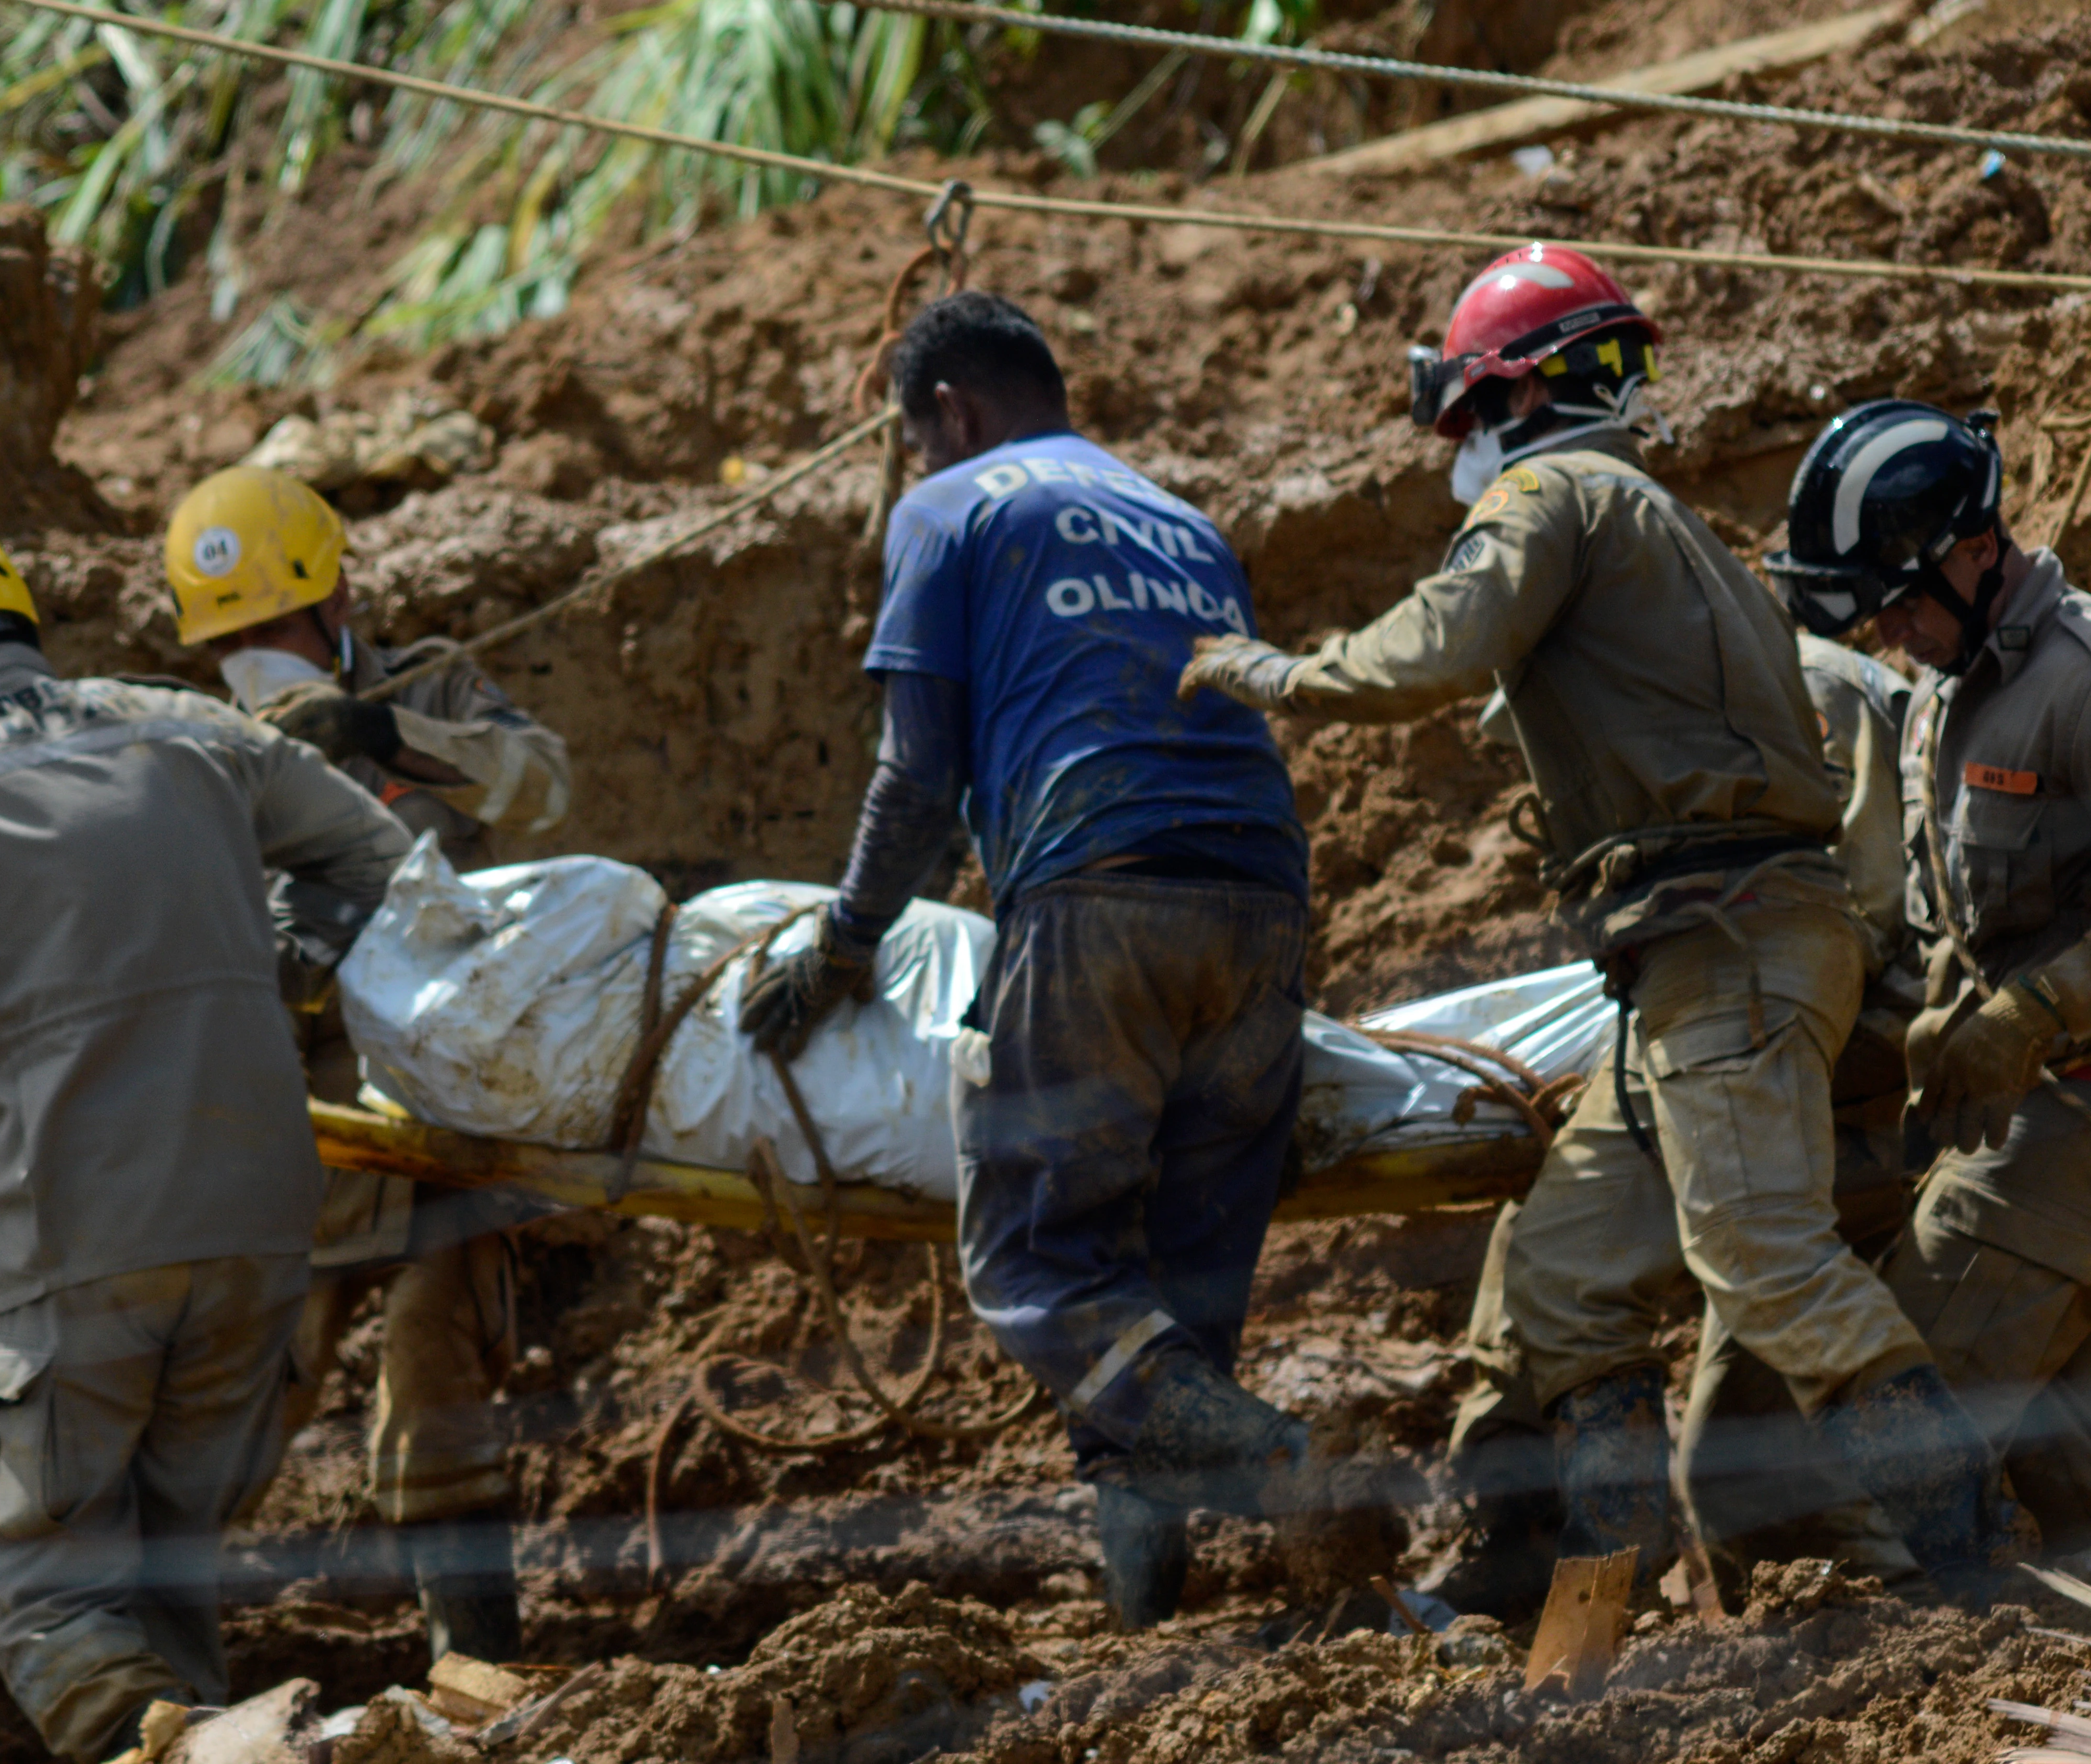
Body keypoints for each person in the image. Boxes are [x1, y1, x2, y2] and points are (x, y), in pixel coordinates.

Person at [1182, 244, 2010, 1600]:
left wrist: (1270, 673)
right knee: (1556, 1281)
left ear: (1509, 396)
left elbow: (1434, 651)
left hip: (1728, 944)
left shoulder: (1552, 493)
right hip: (1705, 958)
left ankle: (1967, 1539)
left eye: (1466, 414)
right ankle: (1544, 1587)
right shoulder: (1665, 526)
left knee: (1764, 1259)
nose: (1461, 446)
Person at [739, 291, 1314, 1628]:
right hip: (1263, 903)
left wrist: (844, 940)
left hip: (1095, 893)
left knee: (1039, 1263)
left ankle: (1267, 1456)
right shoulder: (1186, 521)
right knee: (1177, 1293)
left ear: (952, 410)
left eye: (917, 438)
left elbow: (915, 774)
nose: (918, 464)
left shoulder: (949, 508)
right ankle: (1142, 1625)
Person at [0, 523, 415, 1760]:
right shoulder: (187, 725)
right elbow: (376, 853)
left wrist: (6, 1074)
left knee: (46, 1600)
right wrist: (280, 973)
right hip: (260, 1228)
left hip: (72, 1240)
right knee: (165, 1575)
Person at [1763, 399, 2091, 1595]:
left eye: (1899, 598)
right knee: (2074, 1483)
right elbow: (1968, 914)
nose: (1887, 630)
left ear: (1974, 546)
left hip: (2090, 1119)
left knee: (1873, 1476)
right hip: (2067, 1123)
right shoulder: (1946, 687)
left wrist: (2032, 1015)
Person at [164, 464, 572, 1662]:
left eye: (275, 628)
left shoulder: (427, 680)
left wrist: (378, 731)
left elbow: (544, 786)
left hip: (447, 1098)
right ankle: (144, 1655)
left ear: (337, 599)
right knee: (246, 1397)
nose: (257, 658)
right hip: (298, 1124)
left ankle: (478, 1664)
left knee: (433, 1378)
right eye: (231, 640)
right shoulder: (199, 750)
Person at [1436, 626, 1930, 1612]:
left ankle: (1957, 1559)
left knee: (1765, 1282)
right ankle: (1591, 1566)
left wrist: (1731, 1052)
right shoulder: (1658, 724)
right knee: (1556, 1265)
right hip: (1719, 1030)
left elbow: (1868, 913)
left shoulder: (1796, 685)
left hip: (1838, 1066)